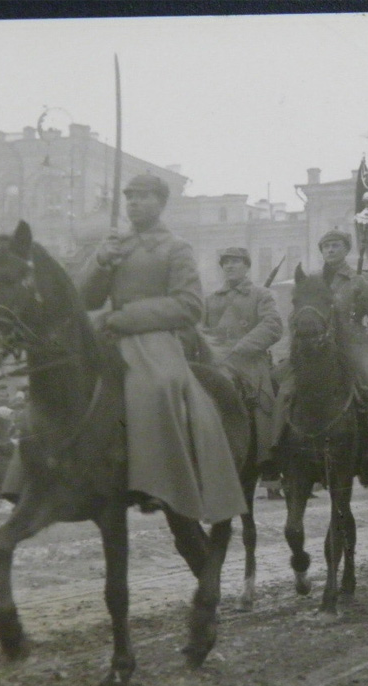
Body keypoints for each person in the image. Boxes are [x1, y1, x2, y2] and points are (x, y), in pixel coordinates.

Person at [79, 173, 245, 523]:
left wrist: (126, 316)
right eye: (130, 197)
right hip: (109, 336)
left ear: (161, 203)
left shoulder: (176, 248)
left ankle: (156, 481)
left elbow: (188, 305)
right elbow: (87, 298)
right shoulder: (116, 245)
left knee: (156, 385)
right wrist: (99, 261)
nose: (134, 203)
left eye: (143, 197)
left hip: (154, 339)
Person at [271, 229, 368, 483]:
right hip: (316, 349)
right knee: (284, 386)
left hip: (353, 345)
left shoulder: (359, 279)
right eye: (326, 247)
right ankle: (277, 449)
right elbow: (297, 312)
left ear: (346, 249)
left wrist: (367, 288)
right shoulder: (313, 280)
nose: (330, 250)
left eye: (336, 246)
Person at [203, 246, 284, 475]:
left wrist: (241, 348)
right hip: (215, 362)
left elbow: (272, 325)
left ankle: (267, 457)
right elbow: (199, 331)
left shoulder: (261, 295)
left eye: (235, 261)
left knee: (263, 403)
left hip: (249, 362)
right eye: (225, 262)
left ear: (247, 266)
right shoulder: (210, 300)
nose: (229, 266)